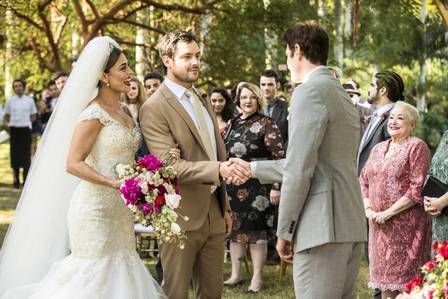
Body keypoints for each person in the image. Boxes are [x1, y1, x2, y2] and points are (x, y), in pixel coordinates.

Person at [0, 37, 166, 298]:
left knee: (122, 269)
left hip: (120, 211)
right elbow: (73, 163)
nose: (130, 73)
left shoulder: (124, 110)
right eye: (123, 68)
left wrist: (146, 174)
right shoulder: (93, 114)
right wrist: (114, 183)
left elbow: (127, 156)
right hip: (94, 210)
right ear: (103, 75)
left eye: (128, 66)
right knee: (93, 276)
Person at [230, 21, 367, 298]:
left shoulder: (308, 91)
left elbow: (300, 170)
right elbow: (312, 162)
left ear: (297, 50)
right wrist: (253, 168)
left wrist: (285, 231)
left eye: (286, 53)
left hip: (321, 224)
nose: (287, 61)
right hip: (349, 220)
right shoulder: (340, 92)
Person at [139, 30, 250, 299]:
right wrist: (219, 170)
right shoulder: (154, 107)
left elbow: (214, 152)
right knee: (176, 292)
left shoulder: (201, 98)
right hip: (180, 217)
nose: (195, 62)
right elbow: (169, 168)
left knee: (212, 293)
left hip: (214, 213)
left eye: (197, 56)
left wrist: (224, 206)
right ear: (167, 59)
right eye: (187, 56)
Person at [359, 101, 432, 299]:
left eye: (400, 118)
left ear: (412, 124)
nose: (394, 121)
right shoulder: (378, 148)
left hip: (406, 228)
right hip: (378, 227)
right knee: (384, 286)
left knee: (407, 287)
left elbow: (417, 188)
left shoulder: (417, 147)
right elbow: (363, 180)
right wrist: (368, 210)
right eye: (391, 117)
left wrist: (387, 213)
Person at [223, 82, 285, 292]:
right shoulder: (232, 123)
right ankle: (235, 274)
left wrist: (276, 186)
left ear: (258, 100)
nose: (247, 101)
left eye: (251, 97)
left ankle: (256, 278)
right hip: (233, 186)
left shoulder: (267, 123)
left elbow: (279, 158)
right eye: (243, 97)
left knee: (256, 234)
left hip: (259, 187)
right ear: (238, 101)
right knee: (235, 231)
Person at [357, 71, 403, 176]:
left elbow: (391, 163)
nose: (369, 90)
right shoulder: (377, 115)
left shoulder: (393, 120)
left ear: (382, 91)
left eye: (372, 85)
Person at [4, 79, 37, 188]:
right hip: (14, 130)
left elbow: (33, 116)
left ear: (23, 87)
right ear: (14, 88)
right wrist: (13, 123)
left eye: (20, 85)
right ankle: (16, 179)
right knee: (14, 154)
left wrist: (25, 122)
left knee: (26, 154)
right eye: (16, 86)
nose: (18, 88)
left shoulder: (29, 101)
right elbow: (7, 116)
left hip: (25, 130)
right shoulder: (10, 101)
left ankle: (25, 179)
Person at [424, 129, 448, 244]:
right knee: (441, 259)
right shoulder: (446, 134)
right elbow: (433, 170)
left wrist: (441, 202)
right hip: (441, 221)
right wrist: (428, 200)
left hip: (442, 205)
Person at [260, 69, 289, 147]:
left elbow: (291, 137)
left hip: (281, 157)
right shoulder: (255, 109)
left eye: (270, 84)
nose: (266, 88)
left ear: (277, 85)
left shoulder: (287, 108)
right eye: (263, 84)